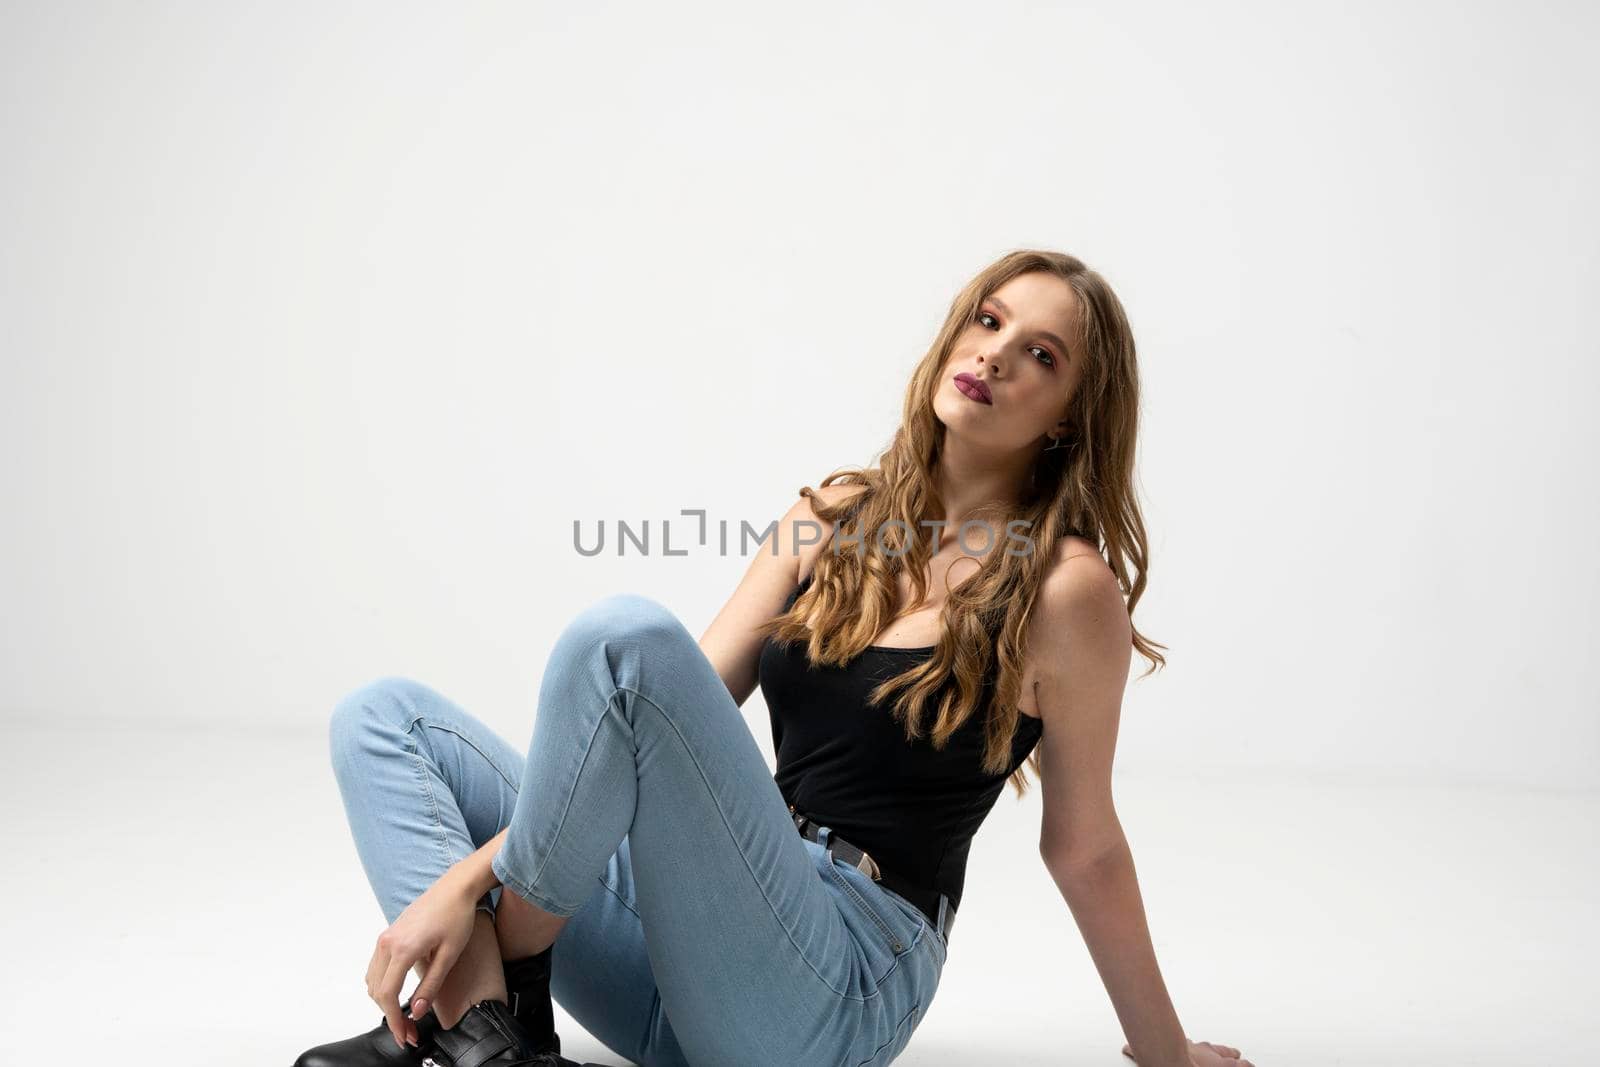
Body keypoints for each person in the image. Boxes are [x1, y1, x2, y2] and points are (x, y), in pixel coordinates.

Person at [291, 249, 1257, 1067]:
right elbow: (632, 735)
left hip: (833, 980)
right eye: (986, 320)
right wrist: (482, 879)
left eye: (1038, 354)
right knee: (385, 716)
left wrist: (1167, 1055)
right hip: (692, 937)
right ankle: (489, 1038)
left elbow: (1083, 843)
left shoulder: (1064, 587)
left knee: (622, 635)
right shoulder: (831, 519)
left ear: (1068, 417)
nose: (993, 355)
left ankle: (481, 993)